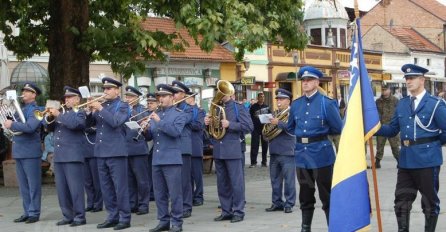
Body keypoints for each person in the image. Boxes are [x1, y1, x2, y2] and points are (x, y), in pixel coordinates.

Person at [375, 64, 446, 232]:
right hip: (406, 160)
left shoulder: (435, 104)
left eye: (412, 78)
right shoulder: (403, 104)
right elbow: (392, 129)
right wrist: (373, 127)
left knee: (429, 202)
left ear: (422, 80)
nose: (408, 81)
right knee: (401, 201)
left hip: (427, 160)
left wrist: (434, 143)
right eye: (406, 78)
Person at [287, 66, 343, 232]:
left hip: (321, 155)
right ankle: (306, 228)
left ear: (317, 82)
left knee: (326, 195)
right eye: (303, 80)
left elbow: (337, 127)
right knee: (305, 194)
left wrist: (318, 136)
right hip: (302, 156)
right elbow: (290, 127)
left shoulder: (327, 103)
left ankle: (332, 227)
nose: (305, 83)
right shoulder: (296, 104)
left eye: (309, 80)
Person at [204, 82, 253, 223]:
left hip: (232, 149)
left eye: (223, 91)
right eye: (219, 91)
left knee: (236, 182)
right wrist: (207, 123)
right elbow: (212, 131)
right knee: (222, 183)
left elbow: (249, 127)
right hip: (219, 149)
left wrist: (230, 124)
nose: (220, 94)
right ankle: (226, 211)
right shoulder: (216, 108)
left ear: (230, 93)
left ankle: (238, 211)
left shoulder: (239, 108)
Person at [89, 77, 131, 230]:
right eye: (104, 89)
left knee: (120, 187)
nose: (105, 91)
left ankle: (125, 218)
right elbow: (88, 125)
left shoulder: (123, 106)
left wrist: (100, 108)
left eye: (108, 89)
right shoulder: (103, 105)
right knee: (106, 187)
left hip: (116, 152)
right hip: (100, 152)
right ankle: (112, 216)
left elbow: (115, 122)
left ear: (116, 90)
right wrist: (89, 111)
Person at [146, 84, 186, 232]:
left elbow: (175, 132)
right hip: (157, 159)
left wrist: (158, 121)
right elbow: (152, 136)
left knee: (175, 194)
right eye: (159, 96)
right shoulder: (157, 113)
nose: (160, 99)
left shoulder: (179, 114)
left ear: (171, 97)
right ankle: (163, 220)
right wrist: (144, 131)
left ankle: (177, 222)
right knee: (159, 193)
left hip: (172, 159)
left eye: (163, 96)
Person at [48, 86, 87, 227]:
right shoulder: (62, 113)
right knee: (62, 189)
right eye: (66, 97)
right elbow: (48, 128)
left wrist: (58, 115)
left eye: (70, 97)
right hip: (59, 156)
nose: (67, 99)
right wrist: (50, 117)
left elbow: (76, 124)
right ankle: (67, 215)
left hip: (73, 156)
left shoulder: (80, 112)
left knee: (75, 189)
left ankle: (79, 216)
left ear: (77, 99)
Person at [4, 82, 42, 224]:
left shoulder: (35, 110)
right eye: (23, 91)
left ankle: (34, 212)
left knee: (33, 185)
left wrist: (12, 124)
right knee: (24, 186)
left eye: (27, 91)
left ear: (34, 95)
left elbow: (30, 127)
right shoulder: (20, 109)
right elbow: (10, 125)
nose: (24, 93)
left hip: (31, 152)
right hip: (19, 151)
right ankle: (27, 211)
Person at [264, 89, 296, 214]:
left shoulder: (292, 114)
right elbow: (267, 131)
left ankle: (289, 203)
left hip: (287, 151)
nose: (278, 101)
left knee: (289, 180)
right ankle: (276, 202)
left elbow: (293, 130)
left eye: (281, 99)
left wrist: (279, 123)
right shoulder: (275, 113)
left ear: (288, 101)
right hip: (274, 151)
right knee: (275, 179)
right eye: (277, 99)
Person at [124, 86, 150, 215]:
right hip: (125, 149)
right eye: (127, 96)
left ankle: (143, 205)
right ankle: (132, 204)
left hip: (139, 149)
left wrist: (132, 112)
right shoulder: (123, 109)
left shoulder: (142, 110)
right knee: (129, 180)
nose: (128, 99)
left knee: (142, 179)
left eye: (130, 97)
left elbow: (146, 128)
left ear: (137, 98)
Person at [171, 80, 194, 218]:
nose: (174, 95)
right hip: (172, 147)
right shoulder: (170, 107)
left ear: (183, 94)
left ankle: (186, 206)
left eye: (176, 92)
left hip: (184, 147)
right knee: (174, 181)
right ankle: (177, 206)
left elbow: (183, 120)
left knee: (184, 180)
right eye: (173, 92)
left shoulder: (189, 108)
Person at [185, 90, 206, 207]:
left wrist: (186, 122)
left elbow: (199, 125)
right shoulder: (183, 110)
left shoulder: (200, 111)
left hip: (195, 146)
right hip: (185, 147)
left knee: (197, 175)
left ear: (192, 98)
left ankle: (199, 196)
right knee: (187, 175)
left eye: (186, 97)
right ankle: (190, 196)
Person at [83, 102, 103, 213]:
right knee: (87, 181)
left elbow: (95, 128)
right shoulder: (84, 114)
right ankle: (90, 202)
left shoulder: (98, 114)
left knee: (96, 180)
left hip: (94, 149)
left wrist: (89, 128)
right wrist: (87, 112)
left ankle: (98, 203)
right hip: (84, 150)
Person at [375, 82, 400, 168]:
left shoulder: (396, 100)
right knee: (379, 146)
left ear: (390, 90)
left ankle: (400, 161)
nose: (384, 91)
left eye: (386, 89)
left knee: (395, 146)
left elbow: (399, 113)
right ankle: (377, 162)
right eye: (382, 90)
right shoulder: (378, 101)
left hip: (393, 127)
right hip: (381, 127)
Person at [249, 92, 270, 167]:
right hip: (255, 128)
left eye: (263, 97)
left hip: (264, 128)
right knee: (254, 145)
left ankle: (264, 162)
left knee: (265, 145)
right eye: (261, 97)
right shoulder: (253, 107)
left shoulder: (267, 106)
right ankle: (253, 162)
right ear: (258, 98)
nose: (262, 98)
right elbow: (250, 117)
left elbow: (270, 116)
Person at [145, 93, 158, 201]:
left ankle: (154, 192)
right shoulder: (146, 113)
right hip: (148, 145)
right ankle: (150, 192)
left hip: (157, 145)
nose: (149, 105)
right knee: (149, 170)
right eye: (148, 103)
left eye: (151, 103)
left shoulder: (158, 114)